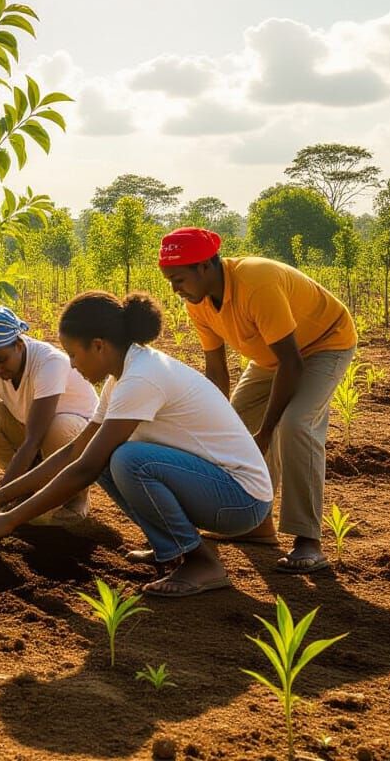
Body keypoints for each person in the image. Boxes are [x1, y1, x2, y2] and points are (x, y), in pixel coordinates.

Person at [0, 291, 274, 599]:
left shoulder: (141, 377)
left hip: (240, 498)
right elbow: (76, 451)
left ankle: (201, 562)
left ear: (98, 346)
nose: (72, 365)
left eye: (73, 354)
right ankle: (171, 546)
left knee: (128, 459)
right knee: (107, 456)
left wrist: (10, 518)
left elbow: (85, 468)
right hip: (212, 486)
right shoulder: (123, 377)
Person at [157, 227, 357, 574]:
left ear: (205, 266)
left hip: (324, 344)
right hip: (271, 359)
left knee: (294, 426)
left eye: (178, 278)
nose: (174, 288)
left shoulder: (256, 281)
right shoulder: (198, 303)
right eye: (169, 280)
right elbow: (217, 372)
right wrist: (213, 426)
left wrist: (266, 431)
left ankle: (308, 541)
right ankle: (257, 525)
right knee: (235, 425)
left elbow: (293, 364)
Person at [0, 305, 98, 523]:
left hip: (81, 440)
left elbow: (33, 440)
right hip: (33, 431)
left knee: (59, 427)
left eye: (1, 360)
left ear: (19, 345)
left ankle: (75, 497)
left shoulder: (49, 363)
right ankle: (25, 488)